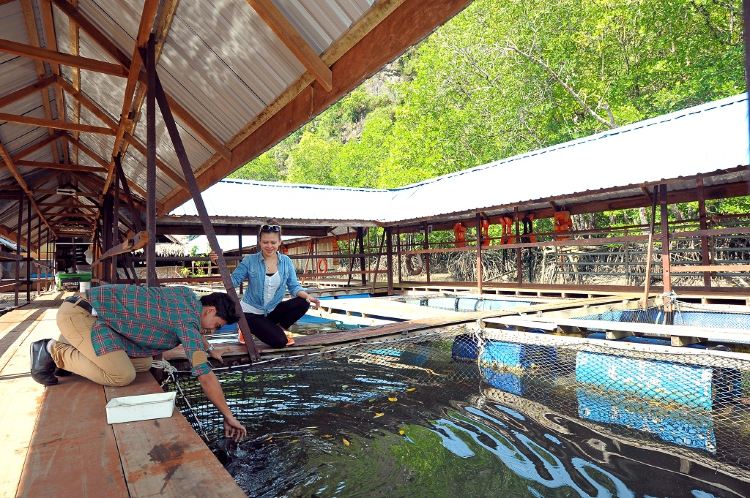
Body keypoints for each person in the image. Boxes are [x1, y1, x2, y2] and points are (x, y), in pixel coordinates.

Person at [29, 285, 247, 441]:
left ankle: (74, 349)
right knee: (121, 375)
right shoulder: (187, 320)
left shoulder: (187, 297)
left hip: (101, 320)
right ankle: (51, 350)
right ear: (210, 310)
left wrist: (209, 349)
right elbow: (205, 375)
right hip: (80, 314)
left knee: (144, 364)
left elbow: (194, 330)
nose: (214, 330)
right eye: (217, 325)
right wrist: (228, 416)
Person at [211, 223, 321, 348]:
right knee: (280, 342)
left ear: (279, 242)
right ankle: (245, 328)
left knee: (303, 302)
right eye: (265, 242)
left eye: (273, 242)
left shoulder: (286, 261)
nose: (269, 246)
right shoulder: (249, 260)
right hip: (250, 313)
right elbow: (233, 281)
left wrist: (308, 296)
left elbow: (294, 286)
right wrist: (219, 264)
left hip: (271, 311)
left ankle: (278, 329)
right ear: (260, 242)